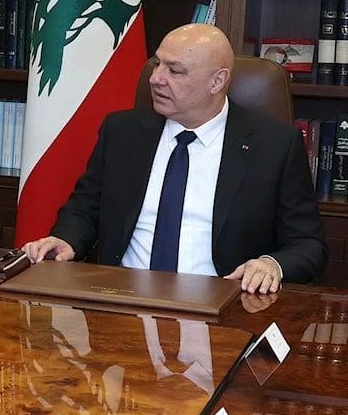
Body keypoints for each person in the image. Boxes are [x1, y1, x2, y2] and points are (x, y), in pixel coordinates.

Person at [22, 23, 327, 293]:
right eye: (157, 65)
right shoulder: (122, 131)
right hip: (123, 302)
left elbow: (308, 245)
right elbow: (85, 207)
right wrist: (66, 240)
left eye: (175, 70)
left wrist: (271, 264)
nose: (156, 79)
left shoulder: (274, 145)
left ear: (218, 81)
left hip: (221, 308)